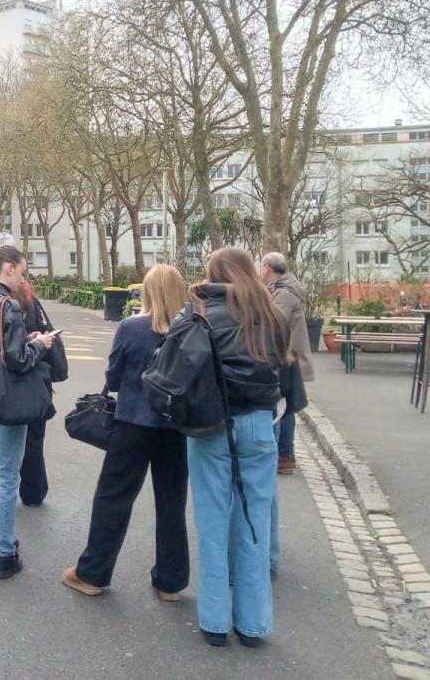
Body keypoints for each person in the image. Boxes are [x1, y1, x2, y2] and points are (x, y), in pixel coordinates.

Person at [62, 264, 190, 601]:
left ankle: (92, 573)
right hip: (176, 428)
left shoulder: (131, 328)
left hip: (132, 423)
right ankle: (171, 581)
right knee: (172, 503)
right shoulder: (192, 330)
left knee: (113, 498)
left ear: (147, 291)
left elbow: (114, 378)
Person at [183, 247, 286, 647]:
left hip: (211, 423)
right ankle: (253, 624)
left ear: (213, 273)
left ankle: (214, 621)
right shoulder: (270, 312)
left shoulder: (200, 311)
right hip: (259, 423)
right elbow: (286, 371)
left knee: (211, 520)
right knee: (254, 521)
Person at [0, 246, 56, 579]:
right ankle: (4, 551)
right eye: (22, 270)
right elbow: (19, 359)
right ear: (7, 268)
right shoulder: (9, 304)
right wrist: (40, 343)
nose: (23, 277)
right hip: (10, 391)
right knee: (7, 472)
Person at [0, 280, 58, 506]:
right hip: (34, 384)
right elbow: (21, 354)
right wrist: (38, 343)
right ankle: (33, 491)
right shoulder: (28, 306)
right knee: (33, 441)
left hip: (2, 385)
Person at [259, 252, 315, 474]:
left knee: (284, 406)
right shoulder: (284, 289)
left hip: (286, 356)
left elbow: (273, 323)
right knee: (286, 404)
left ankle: (284, 455)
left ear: (266, 268)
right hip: (287, 355)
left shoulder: (282, 293)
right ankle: (285, 454)